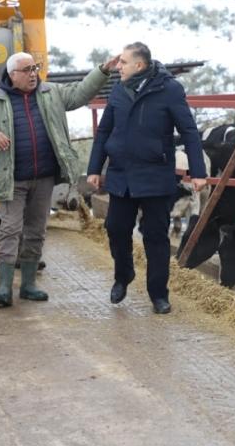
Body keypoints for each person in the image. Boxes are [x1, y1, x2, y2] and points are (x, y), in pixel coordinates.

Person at [0, 51, 115, 307]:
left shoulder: (51, 93)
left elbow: (80, 93)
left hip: (43, 177)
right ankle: (3, 288)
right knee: (10, 229)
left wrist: (102, 70)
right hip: (11, 178)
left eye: (35, 68)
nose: (33, 74)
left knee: (36, 231)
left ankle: (28, 285)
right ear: (13, 75)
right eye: (27, 70)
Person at [87, 42, 207, 315]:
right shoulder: (118, 90)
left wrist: (198, 173)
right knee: (116, 229)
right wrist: (94, 168)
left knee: (155, 237)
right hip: (121, 175)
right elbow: (104, 132)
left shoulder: (169, 90)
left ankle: (158, 294)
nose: (118, 66)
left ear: (139, 65)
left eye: (123, 63)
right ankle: (123, 274)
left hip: (155, 175)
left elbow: (188, 131)